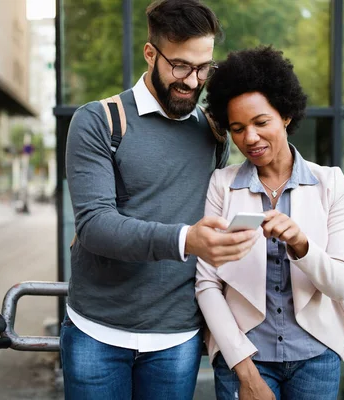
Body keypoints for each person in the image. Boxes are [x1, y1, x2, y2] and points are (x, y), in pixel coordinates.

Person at [62, 1, 259, 399]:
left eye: (204, 68)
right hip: (96, 332)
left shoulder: (214, 133)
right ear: (150, 53)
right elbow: (95, 226)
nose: (192, 80)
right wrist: (187, 240)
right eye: (181, 66)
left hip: (176, 340)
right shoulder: (98, 121)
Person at [196, 46, 344, 400]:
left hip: (316, 355)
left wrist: (301, 245)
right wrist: (244, 370)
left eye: (261, 122)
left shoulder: (329, 183)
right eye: (237, 129)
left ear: (285, 115)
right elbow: (207, 285)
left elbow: (342, 285)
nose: (250, 139)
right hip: (244, 355)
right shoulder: (222, 184)